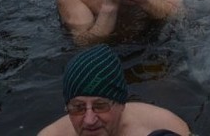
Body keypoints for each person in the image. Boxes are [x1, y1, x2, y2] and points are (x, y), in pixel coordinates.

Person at [37, 44, 189, 136]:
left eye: (100, 106)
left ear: (121, 104)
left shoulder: (163, 126)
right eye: (78, 107)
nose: (89, 120)